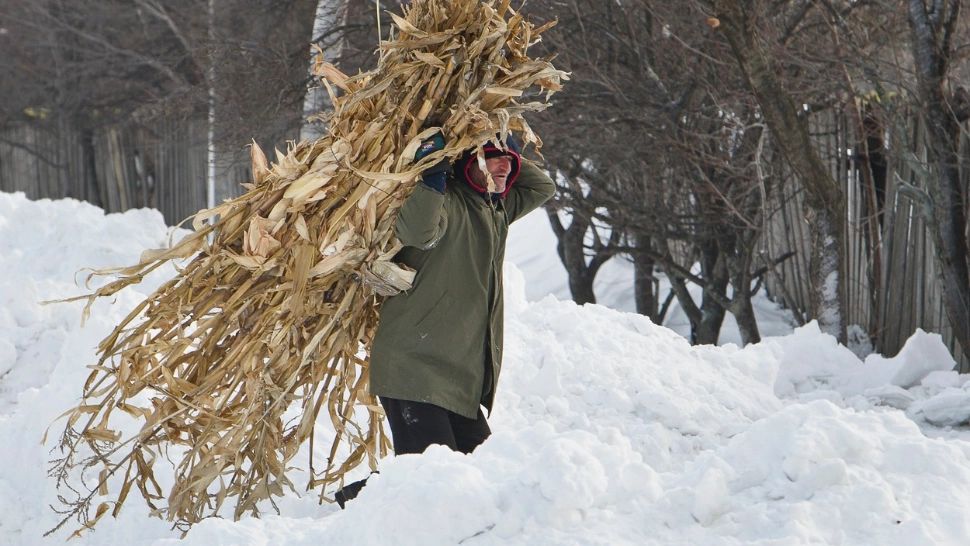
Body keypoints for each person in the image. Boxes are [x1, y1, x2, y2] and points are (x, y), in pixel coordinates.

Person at [335, 132, 555, 507]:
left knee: (480, 473)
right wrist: (435, 175)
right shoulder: (446, 204)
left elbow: (543, 187)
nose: (505, 166)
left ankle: (364, 500)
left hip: (459, 381)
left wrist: (495, 134)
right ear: (468, 163)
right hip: (414, 368)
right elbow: (417, 233)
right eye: (492, 158)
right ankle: (357, 510)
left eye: (511, 162)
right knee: (434, 481)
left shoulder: (496, 210)